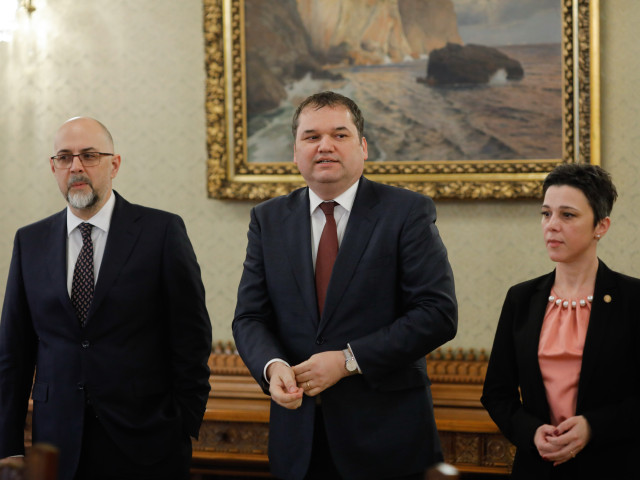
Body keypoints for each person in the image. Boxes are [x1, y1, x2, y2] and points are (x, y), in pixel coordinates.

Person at [232, 91, 457, 480]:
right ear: (295, 151)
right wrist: (272, 367)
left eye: (339, 135)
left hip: (387, 440)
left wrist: (348, 360)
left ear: (363, 147)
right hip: (299, 440)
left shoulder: (407, 212)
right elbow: (250, 317)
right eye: (311, 136)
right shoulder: (268, 220)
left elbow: (437, 315)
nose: (325, 146)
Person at [0, 117, 212, 480]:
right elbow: (13, 354)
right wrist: (8, 446)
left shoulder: (161, 232)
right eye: (64, 157)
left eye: (89, 155)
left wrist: (183, 424)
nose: (76, 167)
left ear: (114, 164)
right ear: (53, 167)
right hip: (56, 444)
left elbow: (192, 338)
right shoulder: (29, 241)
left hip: (147, 442)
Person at [481, 163, 640, 479]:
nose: (551, 225)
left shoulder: (633, 299)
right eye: (546, 213)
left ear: (601, 226)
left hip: (613, 465)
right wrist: (531, 432)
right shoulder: (521, 299)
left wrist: (592, 427)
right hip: (538, 467)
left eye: (567, 215)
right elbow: (496, 394)